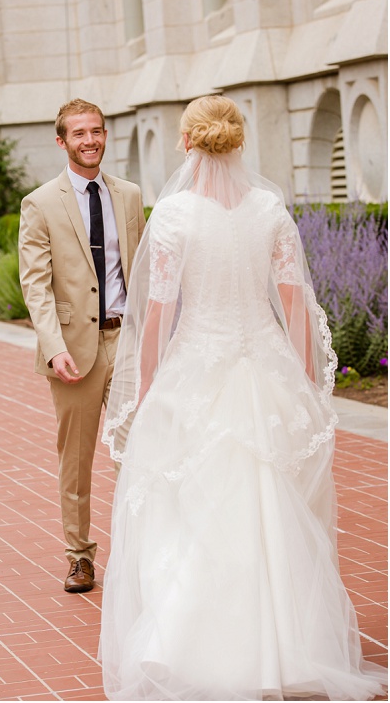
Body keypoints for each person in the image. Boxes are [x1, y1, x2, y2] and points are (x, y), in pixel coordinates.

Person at [99, 95, 387, 700]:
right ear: (238, 143)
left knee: (198, 512)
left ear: (186, 144)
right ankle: (290, 647)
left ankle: (199, 647)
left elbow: (158, 315)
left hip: (198, 373)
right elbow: (295, 303)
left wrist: (148, 387)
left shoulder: (175, 216)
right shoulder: (268, 210)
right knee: (272, 509)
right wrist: (306, 381)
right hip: (264, 370)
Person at [19, 99, 146, 592]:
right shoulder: (40, 203)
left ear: (105, 135)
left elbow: (141, 268)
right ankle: (79, 555)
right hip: (73, 350)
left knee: (137, 451)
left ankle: (142, 550)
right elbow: (36, 284)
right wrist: (53, 347)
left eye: (96, 131)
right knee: (77, 458)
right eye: (79, 133)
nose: (89, 140)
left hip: (128, 341)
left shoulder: (130, 195)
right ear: (61, 141)